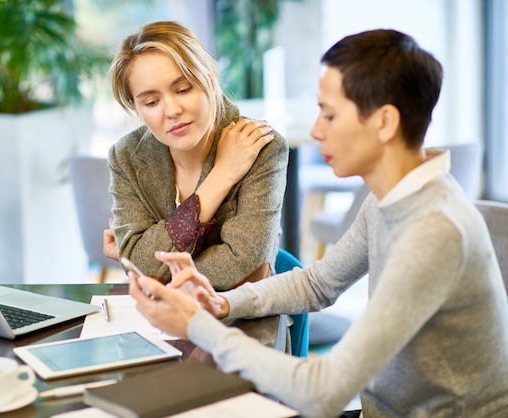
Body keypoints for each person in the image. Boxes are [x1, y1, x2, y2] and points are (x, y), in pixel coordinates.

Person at [128, 29, 508, 417]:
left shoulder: (433, 231)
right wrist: (221, 303)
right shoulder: (392, 198)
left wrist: (197, 325)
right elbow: (319, 282)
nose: (315, 131)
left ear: (384, 122)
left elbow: (323, 391)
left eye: (329, 114)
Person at [103, 21, 289, 290]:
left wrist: (154, 274)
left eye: (183, 89)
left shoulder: (261, 146)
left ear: (210, 78)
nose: (172, 110)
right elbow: (137, 261)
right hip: (164, 321)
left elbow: (243, 263)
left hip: (246, 316)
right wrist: (221, 176)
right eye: (152, 102)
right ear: (136, 107)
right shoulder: (126, 156)